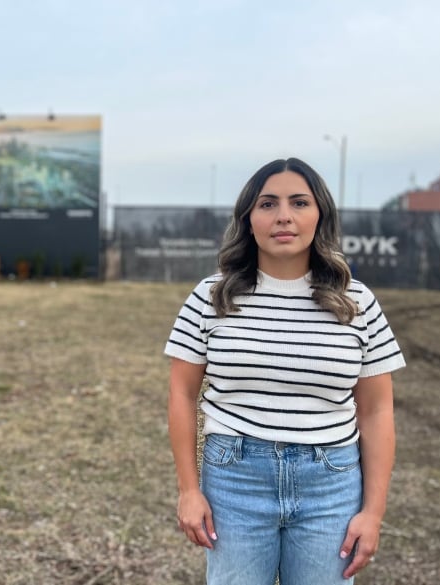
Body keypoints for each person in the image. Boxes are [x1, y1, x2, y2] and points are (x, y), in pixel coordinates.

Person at [165, 157, 405, 585]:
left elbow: (377, 411)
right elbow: (182, 396)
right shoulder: (211, 296)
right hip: (235, 478)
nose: (284, 216)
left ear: (320, 215)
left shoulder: (358, 303)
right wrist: (189, 489)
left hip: (331, 484)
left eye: (299, 202)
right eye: (268, 204)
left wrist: (373, 512)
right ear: (249, 218)